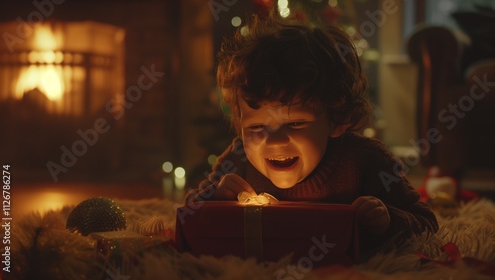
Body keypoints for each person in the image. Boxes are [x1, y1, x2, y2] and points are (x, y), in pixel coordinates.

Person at [185, 13, 438, 251]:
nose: (274, 141)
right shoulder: (238, 160)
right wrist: (217, 198)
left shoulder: (367, 160)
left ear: (335, 119)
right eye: (256, 127)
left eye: (295, 124)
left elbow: (426, 223)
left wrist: (386, 221)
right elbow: (188, 216)